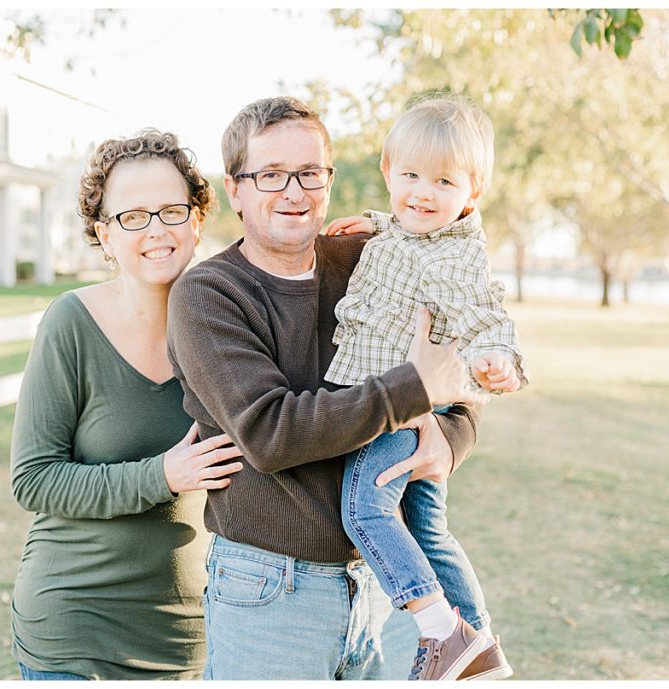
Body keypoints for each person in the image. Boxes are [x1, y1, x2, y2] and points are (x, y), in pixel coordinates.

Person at [166, 96, 487, 681]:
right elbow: (270, 432)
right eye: (270, 174)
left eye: (310, 172)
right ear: (235, 190)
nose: (294, 191)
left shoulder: (371, 258)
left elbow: (454, 366)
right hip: (269, 592)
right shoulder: (209, 295)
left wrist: (450, 434)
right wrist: (411, 391)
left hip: (381, 584)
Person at [9, 130, 243, 680]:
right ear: (105, 235)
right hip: (74, 635)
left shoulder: (229, 324)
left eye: (170, 210)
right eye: (132, 216)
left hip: (197, 639)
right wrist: (162, 474)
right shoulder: (71, 323)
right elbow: (34, 479)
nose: (156, 229)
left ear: (197, 220)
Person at [323, 95, 527, 680]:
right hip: (394, 405)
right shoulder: (411, 230)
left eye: (443, 181)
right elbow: (412, 232)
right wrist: (377, 222)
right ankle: (477, 646)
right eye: (410, 175)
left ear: (473, 193)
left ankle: (441, 630)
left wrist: (497, 359)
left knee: (364, 509)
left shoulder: (462, 259)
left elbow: (486, 315)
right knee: (427, 528)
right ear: (388, 171)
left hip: (402, 414)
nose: (422, 191)